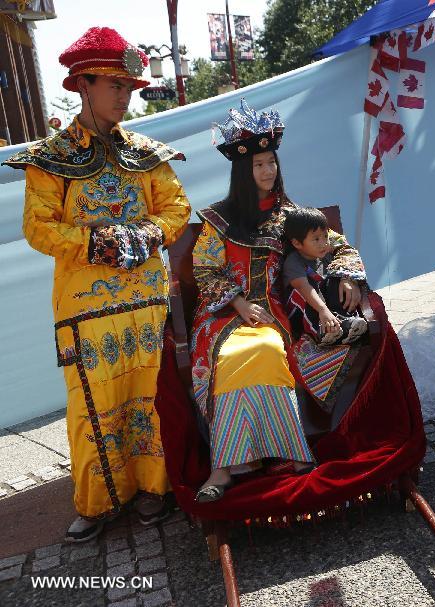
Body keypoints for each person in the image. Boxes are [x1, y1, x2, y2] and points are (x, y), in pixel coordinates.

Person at [3, 27, 191, 541]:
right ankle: (100, 500)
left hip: (147, 299)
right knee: (92, 403)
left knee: (150, 396)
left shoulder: (147, 153)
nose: (125, 97)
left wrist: (147, 233)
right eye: (115, 85)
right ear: (82, 84)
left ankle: (156, 489)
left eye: (129, 88)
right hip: (87, 307)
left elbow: (176, 207)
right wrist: (100, 243)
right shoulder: (51, 157)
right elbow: (38, 226)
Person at [191, 101, 320, 502]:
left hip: (273, 313)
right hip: (222, 315)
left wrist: (349, 276)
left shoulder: (291, 216)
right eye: (259, 165)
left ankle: (290, 453)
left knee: (266, 347)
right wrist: (239, 304)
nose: (268, 171)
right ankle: (225, 467)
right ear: (243, 172)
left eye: (272, 163)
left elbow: (334, 247)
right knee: (230, 356)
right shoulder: (219, 219)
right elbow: (203, 270)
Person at [282, 207, 368, 346]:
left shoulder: (327, 255)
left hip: (327, 308)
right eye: (316, 239)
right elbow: (304, 288)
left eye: (326, 236)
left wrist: (347, 279)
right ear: (297, 243)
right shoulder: (293, 262)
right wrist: (323, 310)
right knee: (308, 286)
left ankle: (344, 322)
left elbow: (345, 257)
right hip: (307, 307)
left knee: (336, 276)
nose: (324, 243)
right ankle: (320, 331)